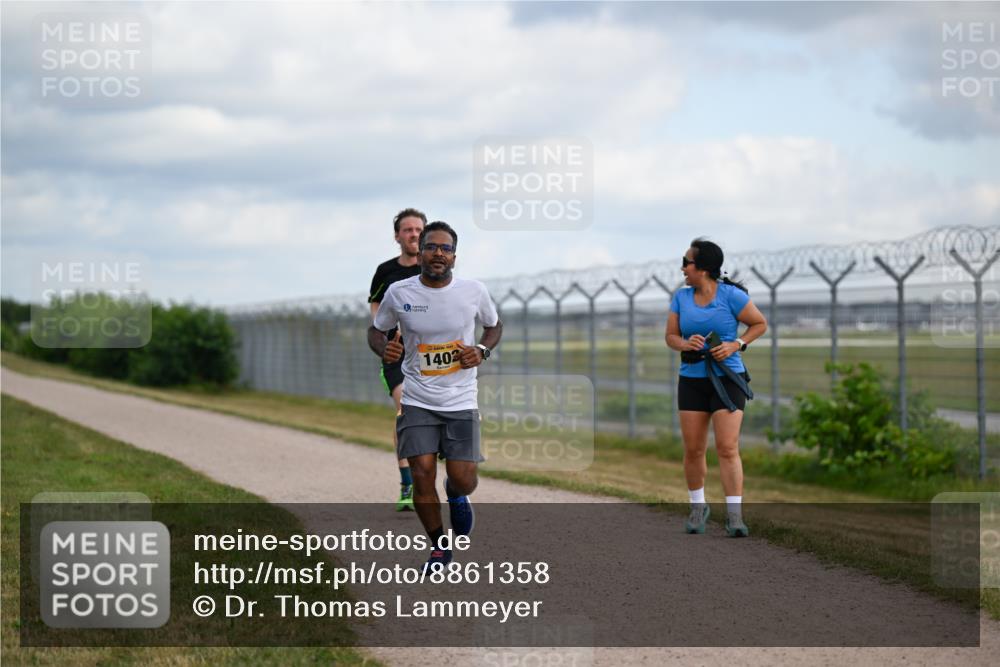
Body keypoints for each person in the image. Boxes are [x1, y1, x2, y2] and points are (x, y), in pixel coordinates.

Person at [368, 221, 503, 571]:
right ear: (421, 252)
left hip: (460, 399)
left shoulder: (473, 291)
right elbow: (376, 329)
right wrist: (384, 350)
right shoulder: (400, 292)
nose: (438, 253)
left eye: (445, 248)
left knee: (464, 478)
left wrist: (481, 350)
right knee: (422, 471)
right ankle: (440, 547)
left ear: (454, 257)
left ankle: (456, 495)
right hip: (417, 399)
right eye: (431, 247)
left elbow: (494, 326)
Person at [664, 238, 767, 537]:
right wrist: (685, 343)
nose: (683, 268)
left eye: (687, 262)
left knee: (727, 447)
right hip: (692, 380)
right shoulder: (681, 298)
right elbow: (670, 336)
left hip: (727, 380)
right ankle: (698, 507)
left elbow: (759, 324)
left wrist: (737, 344)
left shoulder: (732, 296)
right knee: (694, 449)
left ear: (704, 268)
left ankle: (734, 516)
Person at [368, 208, 426, 511]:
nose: (414, 234)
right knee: (405, 408)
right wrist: (386, 334)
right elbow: (375, 306)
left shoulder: (436, 268)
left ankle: (428, 468)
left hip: (430, 354)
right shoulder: (386, 271)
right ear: (397, 236)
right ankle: (407, 481)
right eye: (408, 230)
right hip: (397, 353)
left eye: (418, 229)